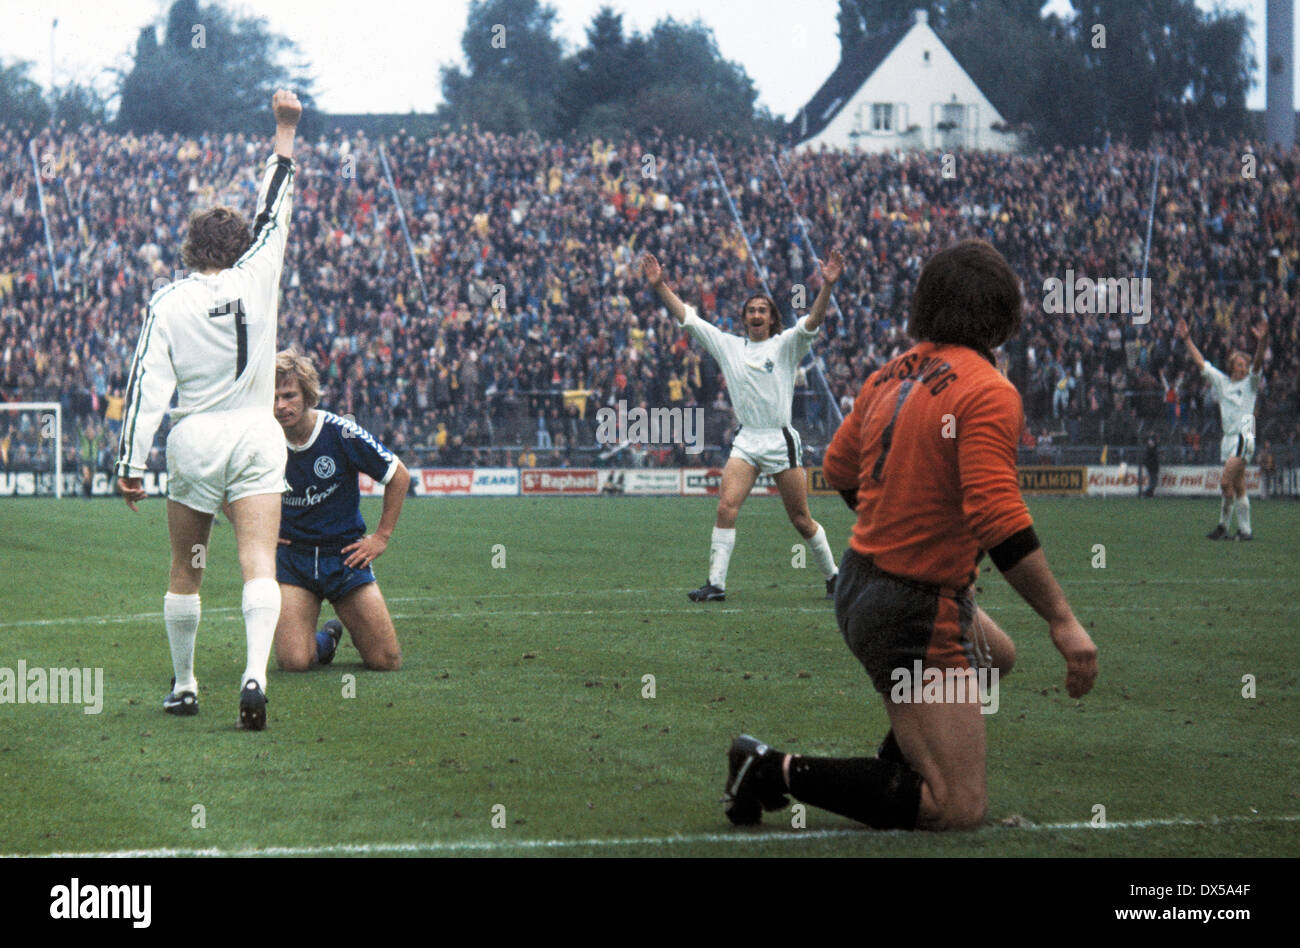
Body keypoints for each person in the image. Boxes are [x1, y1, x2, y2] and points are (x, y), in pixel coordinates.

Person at [721, 240, 1098, 830]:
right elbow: (998, 515)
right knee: (956, 807)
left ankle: (897, 766)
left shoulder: (886, 376)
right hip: (914, 604)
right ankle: (769, 770)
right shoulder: (987, 389)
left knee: (995, 658)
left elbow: (841, 471)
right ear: (999, 314)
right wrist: (1062, 618)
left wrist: (895, 519)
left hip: (861, 582)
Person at [116, 89, 301, 731]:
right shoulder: (259, 275)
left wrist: (130, 462)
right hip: (256, 434)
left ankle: (188, 684)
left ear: (192, 249)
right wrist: (284, 129)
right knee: (258, 560)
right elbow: (274, 207)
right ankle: (254, 673)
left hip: (194, 439)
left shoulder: (167, 301)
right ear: (242, 245)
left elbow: (148, 386)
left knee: (187, 567)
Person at [640, 250, 842, 602]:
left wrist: (826, 285)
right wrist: (660, 287)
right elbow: (689, 318)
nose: (757, 315)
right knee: (725, 507)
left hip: (779, 438)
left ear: (771, 318)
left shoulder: (786, 345)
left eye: (763, 310)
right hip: (747, 439)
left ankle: (834, 578)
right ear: (745, 318)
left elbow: (813, 320)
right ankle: (716, 584)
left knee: (800, 519)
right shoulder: (729, 346)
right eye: (752, 311)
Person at [272, 349, 407, 672]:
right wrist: (258, 532)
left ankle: (356, 630)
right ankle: (326, 641)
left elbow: (398, 475)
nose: (280, 406)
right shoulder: (261, 437)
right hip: (294, 561)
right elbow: (225, 485)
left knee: (385, 661)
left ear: (307, 395)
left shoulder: (340, 431)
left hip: (344, 557)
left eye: (289, 395)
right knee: (294, 662)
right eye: (273, 397)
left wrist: (381, 536)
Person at [1175, 317, 1267, 540]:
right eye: (1239, 365)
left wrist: (1262, 343)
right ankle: (1240, 530)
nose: (1243, 368)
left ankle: (1225, 526)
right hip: (1228, 438)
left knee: (1225, 481)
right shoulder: (1223, 382)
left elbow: (1258, 363)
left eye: (1245, 365)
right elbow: (1201, 363)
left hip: (1245, 434)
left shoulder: (1250, 384)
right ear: (1231, 367)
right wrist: (1187, 339)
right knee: (1237, 486)